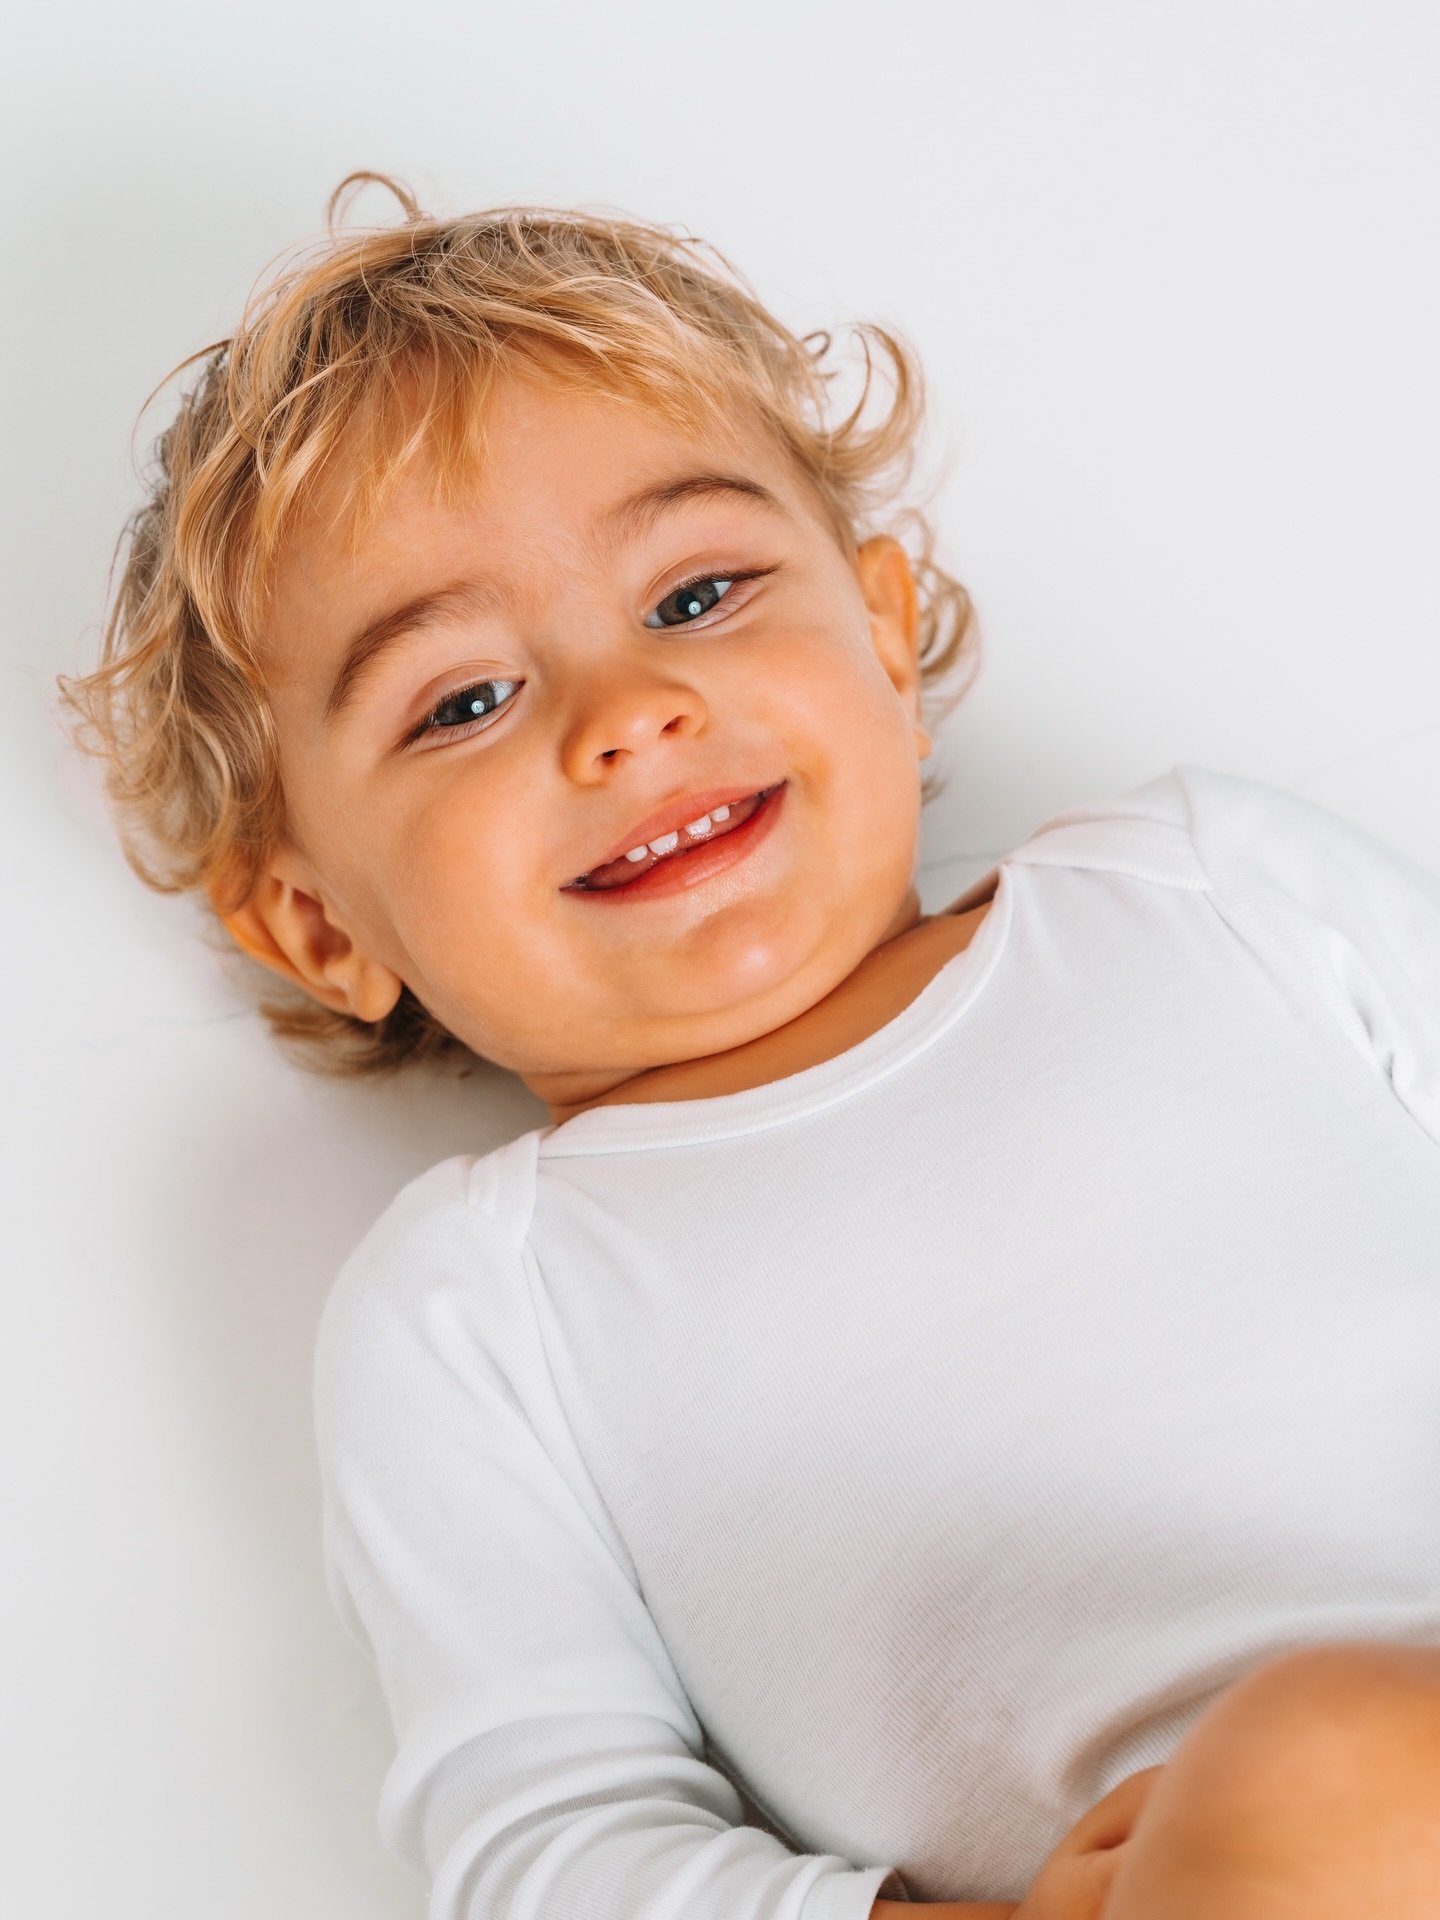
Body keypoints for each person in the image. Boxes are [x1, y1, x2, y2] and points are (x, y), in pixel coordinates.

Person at [57, 173, 1440, 1920]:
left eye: (698, 593)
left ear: (878, 625)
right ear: (324, 927)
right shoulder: (486, 1310)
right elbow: (544, 1842)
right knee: (1313, 1767)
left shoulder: (1208, 894)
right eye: (464, 700)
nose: (631, 713)